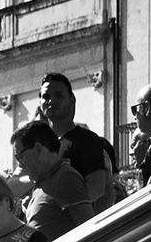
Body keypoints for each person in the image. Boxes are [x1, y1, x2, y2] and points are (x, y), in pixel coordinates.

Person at [39, 71, 118, 208]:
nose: (51, 100)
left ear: (72, 100)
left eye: (59, 95)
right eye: (46, 96)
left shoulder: (86, 140)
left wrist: (60, 211)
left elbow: (96, 188)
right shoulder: (42, 146)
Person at [11, 121, 95, 242]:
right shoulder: (44, 182)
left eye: (20, 156)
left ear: (39, 149)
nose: (20, 164)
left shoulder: (66, 177)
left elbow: (88, 230)